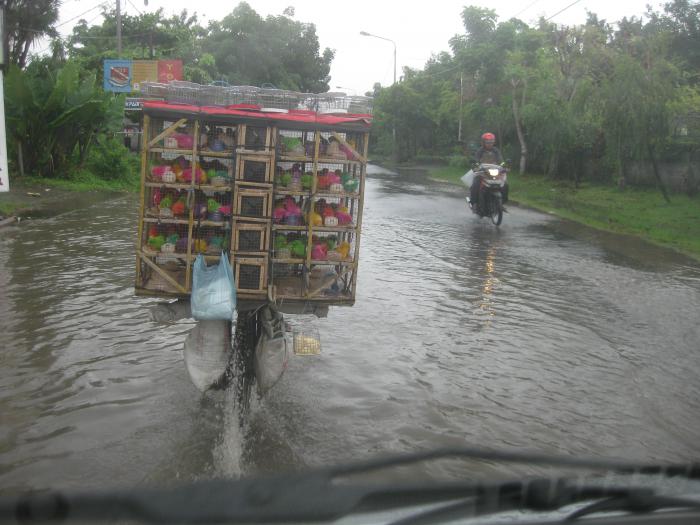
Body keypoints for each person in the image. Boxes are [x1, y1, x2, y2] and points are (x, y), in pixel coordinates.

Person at [469, 132, 506, 209]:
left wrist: (504, 166)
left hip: (494, 171)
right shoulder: (480, 151)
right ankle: (474, 203)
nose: (490, 144)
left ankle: (501, 203)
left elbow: (501, 160)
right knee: (475, 184)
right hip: (482, 172)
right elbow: (476, 159)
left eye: (491, 142)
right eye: (488, 142)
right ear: (483, 143)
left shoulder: (496, 151)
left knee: (505, 185)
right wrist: (475, 165)